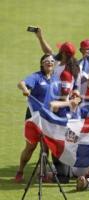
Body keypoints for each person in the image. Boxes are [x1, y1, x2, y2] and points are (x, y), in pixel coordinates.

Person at [15, 54, 56, 183]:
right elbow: (21, 83)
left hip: (48, 117)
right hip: (34, 117)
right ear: (42, 64)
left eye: (52, 61)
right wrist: (25, 89)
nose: (49, 63)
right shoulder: (36, 77)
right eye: (46, 61)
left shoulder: (56, 78)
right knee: (31, 147)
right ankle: (20, 171)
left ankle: (42, 174)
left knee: (45, 146)